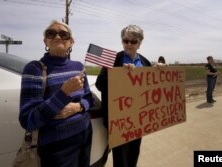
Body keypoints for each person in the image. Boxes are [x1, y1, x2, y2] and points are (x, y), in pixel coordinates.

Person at [19, 20, 93, 167]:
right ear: (45, 40)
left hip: (85, 133)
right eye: (51, 33)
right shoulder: (34, 69)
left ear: (71, 42)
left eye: (63, 34)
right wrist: (63, 93)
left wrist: (78, 107)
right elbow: (28, 119)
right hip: (57, 146)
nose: (57, 37)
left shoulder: (78, 66)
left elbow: (89, 99)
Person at [95, 25, 151, 167]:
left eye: (133, 41)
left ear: (140, 43)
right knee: (120, 158)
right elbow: (99, 84)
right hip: (119, 120)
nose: (129, 44)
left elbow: (152, 88)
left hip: (139, 117)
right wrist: (119, 74)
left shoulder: (145, 62)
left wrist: (161, 71)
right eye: (125, 41)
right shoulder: (113, 59)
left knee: (134, 154)